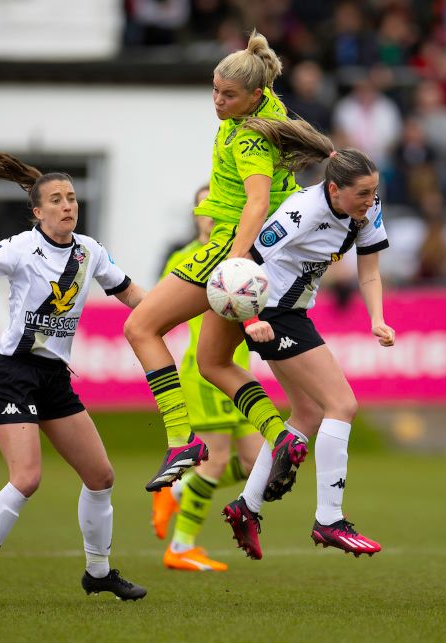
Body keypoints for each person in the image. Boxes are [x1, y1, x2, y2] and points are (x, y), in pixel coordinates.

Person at [0, 142, 148, 606]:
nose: (67, 205)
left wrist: (184, 307)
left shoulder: (91, 252)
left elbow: (133, 294)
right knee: (27, 478)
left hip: (54, 377)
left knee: (101, 476)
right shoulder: (22, 247)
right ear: (37, 212)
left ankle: (97, 572)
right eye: (57, 200)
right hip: (13, 375)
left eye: (73, 198)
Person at [125, 30, 326, 496]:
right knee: (214, 361)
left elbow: (255, 205)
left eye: (228, 94)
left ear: (255, 95)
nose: (217, 100)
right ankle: (278, 437)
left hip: (228, 247)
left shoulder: (248, 137)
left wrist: (235, 265)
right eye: (215, 89)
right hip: (269, 254)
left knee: (140, 328)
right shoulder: (272, 109)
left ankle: (180, 440)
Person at [195, 147, 395, 560]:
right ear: (334, 189)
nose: (371, 200)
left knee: (308, 415)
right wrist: (250, 321)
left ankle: (246, 507)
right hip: (272, 311)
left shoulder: (366, 210)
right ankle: (329, 519)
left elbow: (370, 271)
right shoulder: (301, 210)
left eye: (375, 191)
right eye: (363, 193)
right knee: (342, 404)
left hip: (293, 311)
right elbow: (242, 264)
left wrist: (377, 318)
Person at [152, 184, 264, 572]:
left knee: (256, 463)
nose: (211, 215)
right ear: (195, 215)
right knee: (213, 463)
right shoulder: (186, 259)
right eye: (204, 209)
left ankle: (179, 490)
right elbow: (161, 312)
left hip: (239, 369)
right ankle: (181, 546)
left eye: (217, 208)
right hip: (205, 373)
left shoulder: (242, 257)